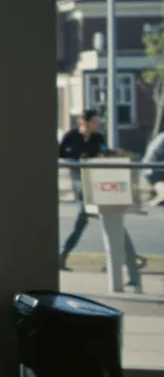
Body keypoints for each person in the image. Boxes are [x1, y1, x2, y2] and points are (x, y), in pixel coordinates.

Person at [59, 110, 110, 269]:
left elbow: (106, 154)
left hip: (98, 183)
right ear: (84, 122)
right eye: (94, 121)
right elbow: (60, 155)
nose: (97, 124)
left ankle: (112, 261)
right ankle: (63, 255)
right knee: (84, 217)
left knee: (107, 220)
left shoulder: (98, 138)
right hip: (80, 182)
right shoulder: (71, 136)